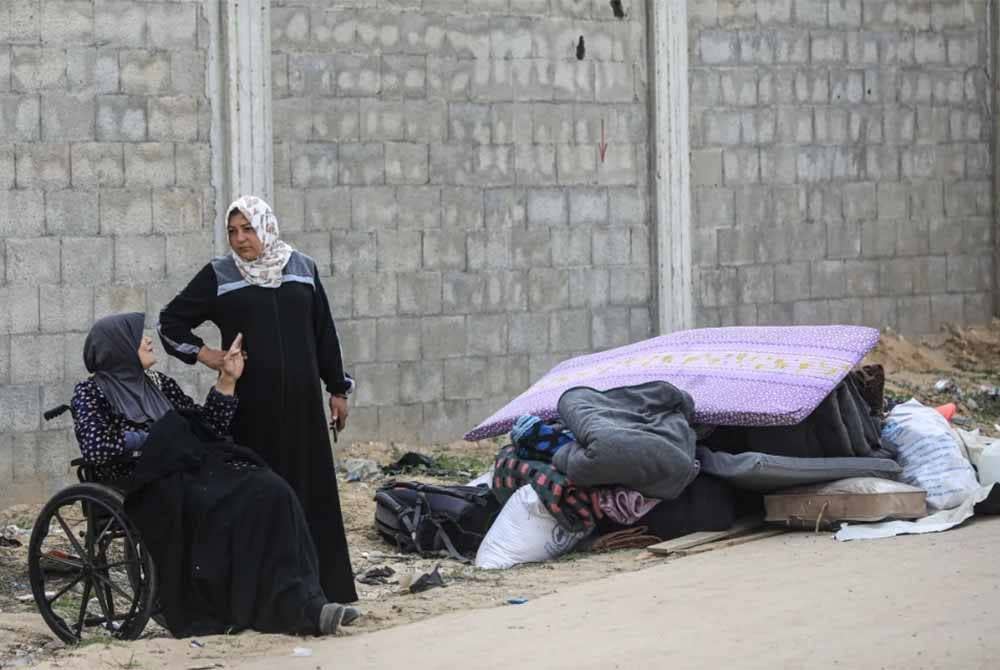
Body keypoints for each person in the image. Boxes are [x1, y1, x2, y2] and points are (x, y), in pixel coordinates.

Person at [72, 312, 358, 636]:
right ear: (118, 347)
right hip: (144, 484)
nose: (149, 340)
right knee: (225, 503)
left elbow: (205, 426)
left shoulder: (159, 384)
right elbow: (98, 449)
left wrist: (227, 379)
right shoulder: (90, 393)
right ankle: (266, 604)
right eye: (139, 337)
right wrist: (161, 437)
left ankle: (304, 602)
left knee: (269, 489)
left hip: (189, 470)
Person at [157, 195, 358, 605]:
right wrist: (207, 355)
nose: (239, 239)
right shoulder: (220, 274)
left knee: (311, 494)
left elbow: (324, 334)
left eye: (247, 229)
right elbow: (170, 323)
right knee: (263, 497)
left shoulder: (302, 268)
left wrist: (337, 388)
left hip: (303, 411)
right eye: (232, 231)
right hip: (252, 413)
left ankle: (323, 589)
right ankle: (267, 595)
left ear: (266, 227)